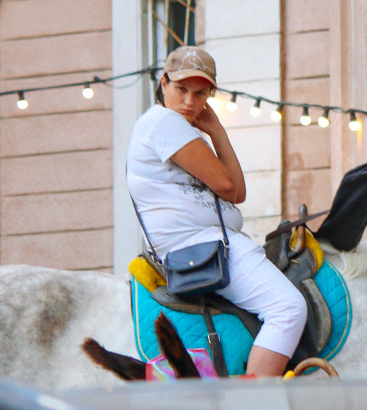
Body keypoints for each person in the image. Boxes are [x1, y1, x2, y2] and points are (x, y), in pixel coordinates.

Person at [126, 46, 307, 377]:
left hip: (199, 243)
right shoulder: (164, 122)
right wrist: (218, 133)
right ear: (163, 83)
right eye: (181, 88)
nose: (189, 101)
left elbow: (237, 193)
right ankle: (256, 401)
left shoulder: (169, 125)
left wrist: (217, 132)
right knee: (288, 308)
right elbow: (227, 185)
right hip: (202, 243)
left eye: (200, 93)